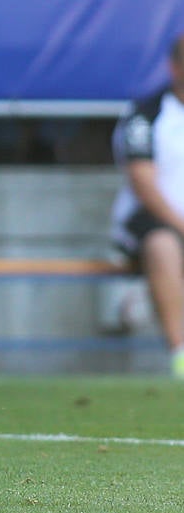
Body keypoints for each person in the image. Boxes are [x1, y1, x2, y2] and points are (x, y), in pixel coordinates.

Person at [112, 36, 184, 378]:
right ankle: (181, 353)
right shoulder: (146, 115)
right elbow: (144, 182)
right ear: (175, 68)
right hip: (152, 220)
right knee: (163, 244)